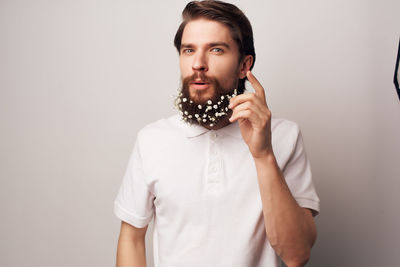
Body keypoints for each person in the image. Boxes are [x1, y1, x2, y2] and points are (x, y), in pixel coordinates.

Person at [114, 1, 320, 266]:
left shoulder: (284, 136)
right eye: (189, 50)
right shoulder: (152, 140)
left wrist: (263, 154)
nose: (198, 63)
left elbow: (297, 254)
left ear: (244, 65)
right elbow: (131, 238)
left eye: (216, 50)